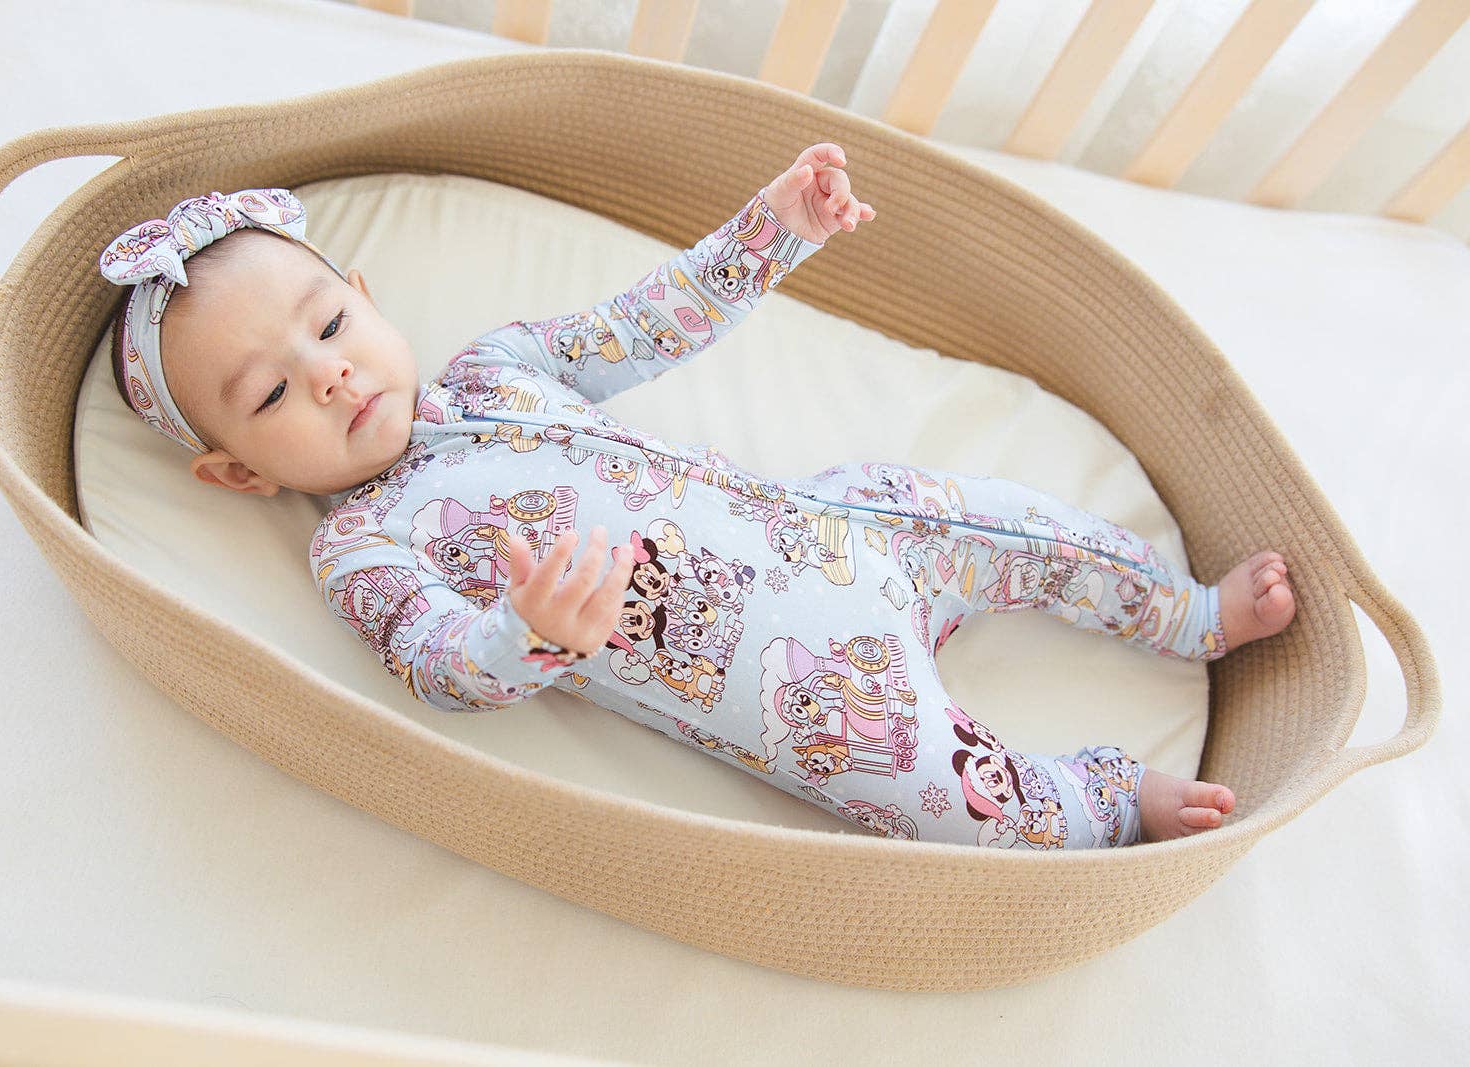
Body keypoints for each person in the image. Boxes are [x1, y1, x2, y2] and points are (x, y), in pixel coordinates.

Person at [96, 144, 1296, 848]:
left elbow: (648, 323)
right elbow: (435, 661)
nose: (330, 374)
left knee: (1005, 520)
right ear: (240, 472)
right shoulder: (360, 544)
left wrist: (772, 232)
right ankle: (1105, 796)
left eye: (329, 325)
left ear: (365, 295)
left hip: (839, 528)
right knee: (954, 806)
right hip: (814, 701)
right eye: (272, 394)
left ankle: (1179, 613)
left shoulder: (497, 366)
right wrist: (523, 633)